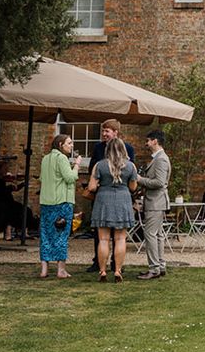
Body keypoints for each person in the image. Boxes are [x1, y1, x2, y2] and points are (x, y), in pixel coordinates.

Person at [86, 120, 136, 273]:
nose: (104, 134)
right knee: (121, 238)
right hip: (123, 199)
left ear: (115, 132)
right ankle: (118, 270)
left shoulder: (100, 165)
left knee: (103, 239)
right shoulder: (130, 165)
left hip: (103, 198)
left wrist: (101, 183)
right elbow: (133, 186)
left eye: (107, 131)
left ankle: (103, 270)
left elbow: (92, 186)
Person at [38, 135, 81, 279]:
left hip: (46, 202)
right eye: (69, 143)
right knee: (61, 235)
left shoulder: (45, 158)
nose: (71, 145)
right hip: (61, 202)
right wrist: (77, 165)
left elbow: (42, 179)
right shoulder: (61, 158)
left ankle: (44, 270)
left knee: (45, 235)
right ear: (61, 144)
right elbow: (70, 177)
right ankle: (61, 270)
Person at [136, 129, 172, 280]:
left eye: (148, 141)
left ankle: (154, 268)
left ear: (155, 141)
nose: (146, 143)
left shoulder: (161, 159)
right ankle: (160, 266)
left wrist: (139, 179)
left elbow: (159, 182)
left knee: (150, 234)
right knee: (157, 235)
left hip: (155, 202)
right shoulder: (158, 158)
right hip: (156, 201)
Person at [0, 160, 35, 241]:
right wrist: (10, 187)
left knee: (26, 210)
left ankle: (24, 231)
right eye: (5, 169)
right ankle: (8, 232)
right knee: (10, 211)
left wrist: (21, 185)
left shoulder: (3, 179)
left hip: (8, 203)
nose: (6, 170)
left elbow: (13, 189)